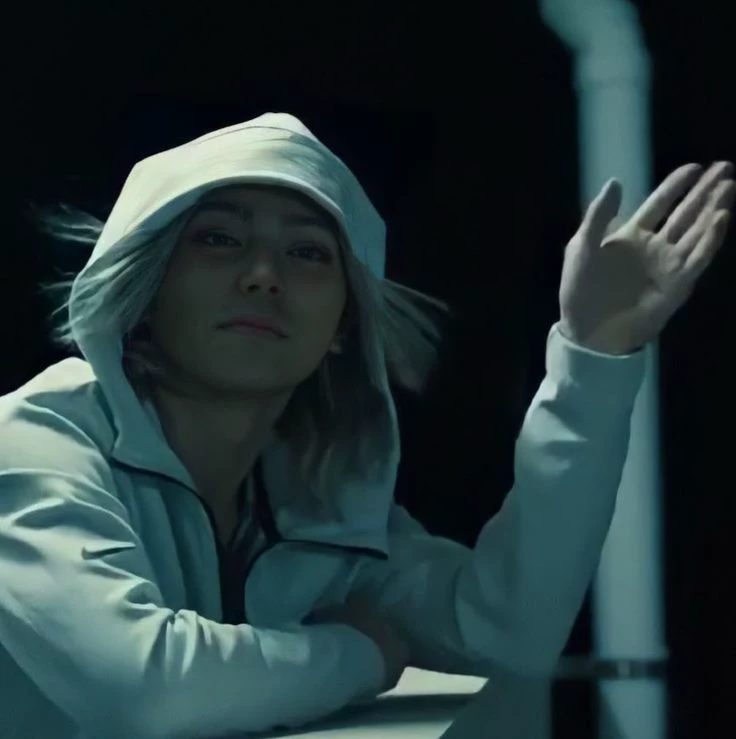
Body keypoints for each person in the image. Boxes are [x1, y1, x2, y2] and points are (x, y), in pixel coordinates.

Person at [0, 111, 732, 738]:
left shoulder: (309, 495)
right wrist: (361, 653)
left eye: (307, 252)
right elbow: (140, 686)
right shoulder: (35, 440)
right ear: (146, 289)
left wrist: (592, 359)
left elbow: (505, 634)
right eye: (219, 239)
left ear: (344, 325)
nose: (263, 273)